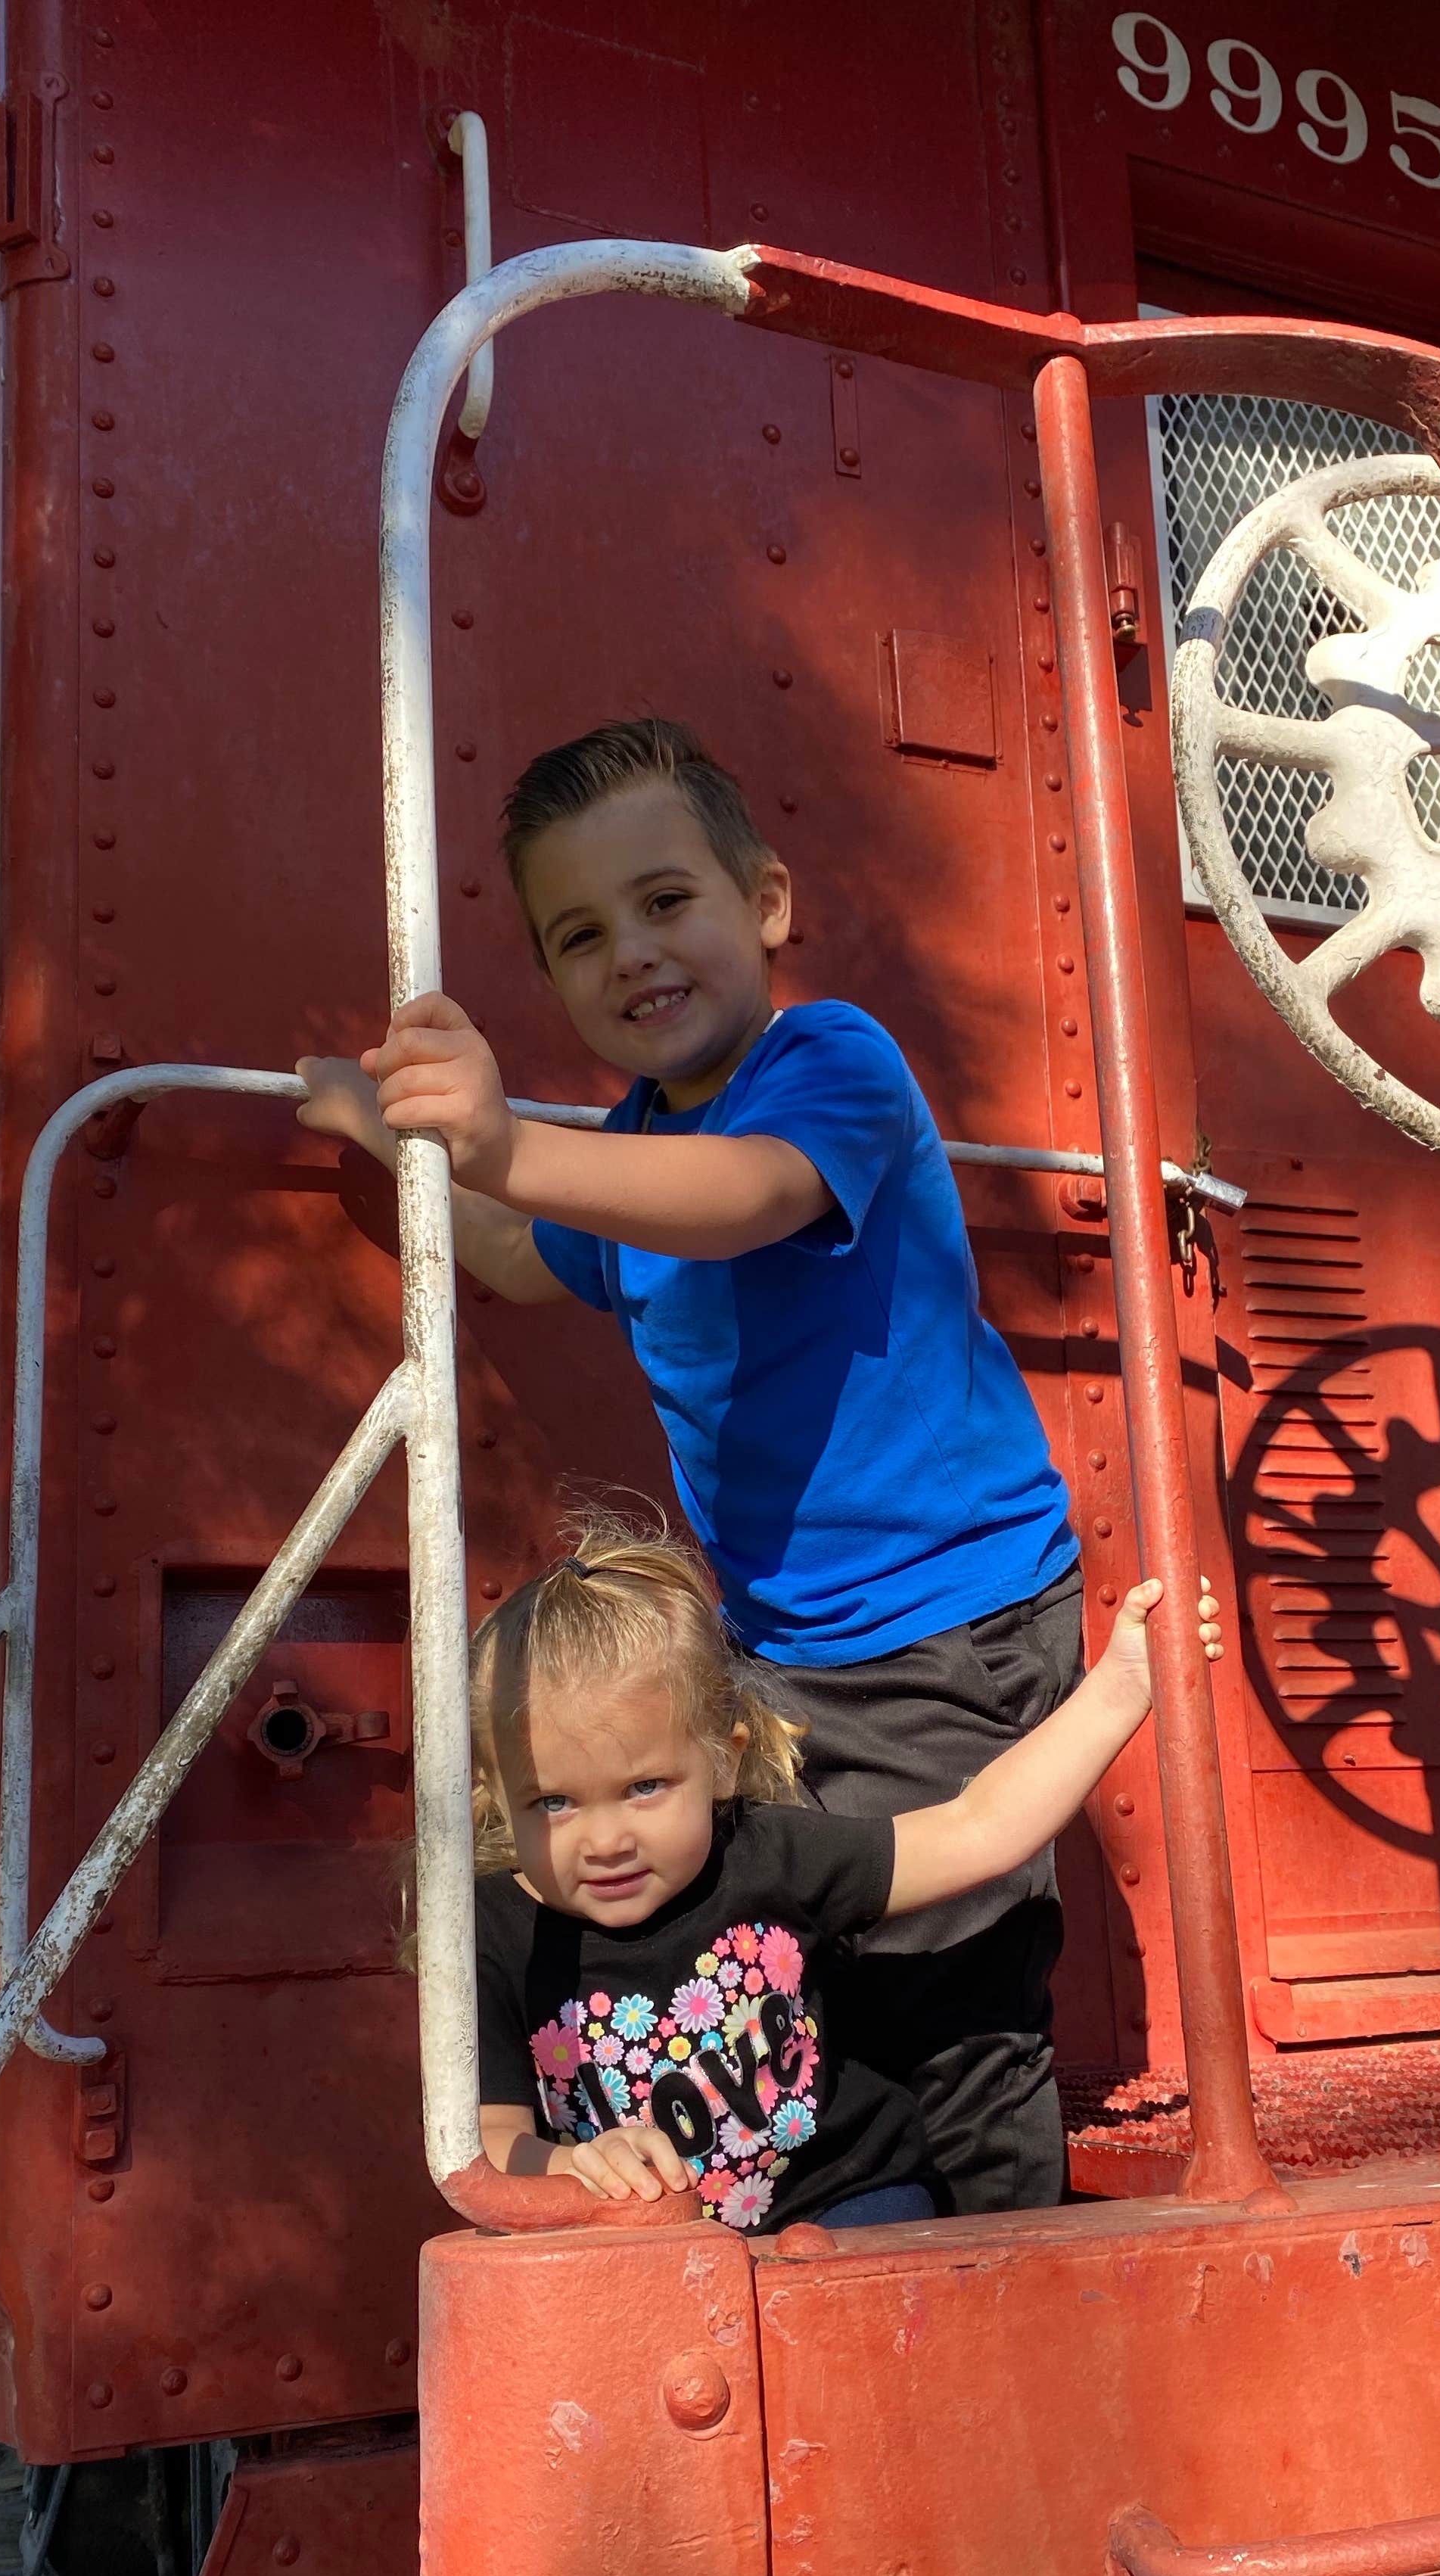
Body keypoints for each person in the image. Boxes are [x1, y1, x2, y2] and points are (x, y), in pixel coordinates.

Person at [298, 718, 1094, 2214]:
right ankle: (858, 2235)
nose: (634, 956)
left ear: (768, 905)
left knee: (957, 1969)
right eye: (581, 935)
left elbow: (741, 1200)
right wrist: (388, 1140)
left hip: (950, 1619)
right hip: (790, 1646)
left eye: (668, 903)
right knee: (802, 1952)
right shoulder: (631, 1139)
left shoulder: (829, 1062)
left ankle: (1010, 2273)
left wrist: (504, 1140)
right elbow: (534, 1258)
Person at [459, 1516, 1165, 2230]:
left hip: (847, 2199)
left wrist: (1119, 1691)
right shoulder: (494, 1934)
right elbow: (489, 2141)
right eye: (553, 1802)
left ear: (722, 1761)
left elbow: (974, 1828)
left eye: (645, 1787)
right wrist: (577, 2164)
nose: (605, 1840)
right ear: (497, 1794)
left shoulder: (764, 1856)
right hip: (640, 2245)